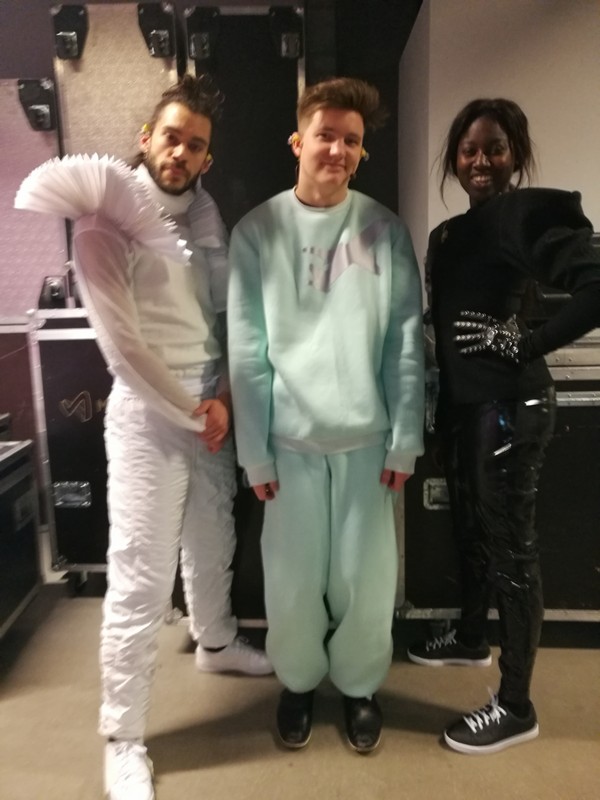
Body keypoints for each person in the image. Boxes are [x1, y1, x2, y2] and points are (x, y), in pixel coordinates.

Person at [16, 75, 272, 800]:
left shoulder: (209, 212)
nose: (181, 152)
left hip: (211, 404)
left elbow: (223, 318)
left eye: (195, 145)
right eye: (172, 137)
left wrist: (222, 399)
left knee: (214, 537)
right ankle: (122, 737)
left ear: (207, 157)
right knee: (141, 578)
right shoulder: (103, 218)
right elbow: (121, 346)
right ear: (146, 138)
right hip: (151, 414)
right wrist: (195, 410)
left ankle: (216, 640)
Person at [227, 77, 425, 753]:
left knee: (366, 580)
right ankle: (299, 682)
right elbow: (247, 352)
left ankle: (361, 685)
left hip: (367, 439)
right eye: (326, 135)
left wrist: (405, 439)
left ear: (362, 152)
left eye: (352, 140)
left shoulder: (384, 230)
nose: (338, 149)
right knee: (291, 579)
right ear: (298, 141)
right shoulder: (258, 232)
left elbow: (404, 342)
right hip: (289, 442)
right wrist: (254, 452)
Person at [407, 98, 600, 754]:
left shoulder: (522, 214)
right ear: (454, 159)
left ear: (516, 154)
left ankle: (516, 706)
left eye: (495, 148)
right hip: (466, 410)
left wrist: (526, 339)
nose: (481, 161)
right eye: (469, 150)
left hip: (511, 408)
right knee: (471, 531)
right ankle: (469, 637)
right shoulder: (447, 236)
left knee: (512, 554)